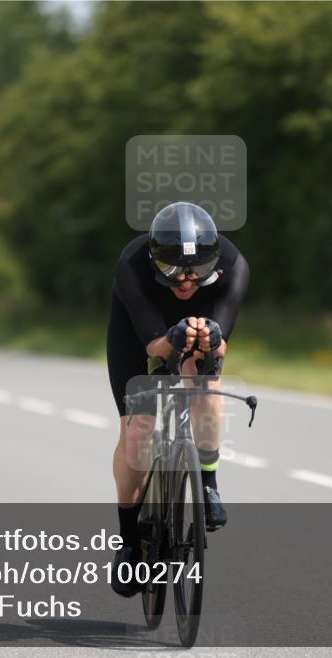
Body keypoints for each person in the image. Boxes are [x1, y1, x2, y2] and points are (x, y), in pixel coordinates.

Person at [106, 202, 250, 597]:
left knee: (206, 384)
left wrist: (212, 340)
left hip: (203, 321)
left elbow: (220, 348)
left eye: (196, 272)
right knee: (138, 431)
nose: (186, 282)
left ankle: (208, 482)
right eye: (173, 271)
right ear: (156, 260)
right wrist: (170, 339)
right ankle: (129, 542)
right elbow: (154, 347)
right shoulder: (133, 264)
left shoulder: (234, 265)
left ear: (213, 264)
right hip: (141, 330)